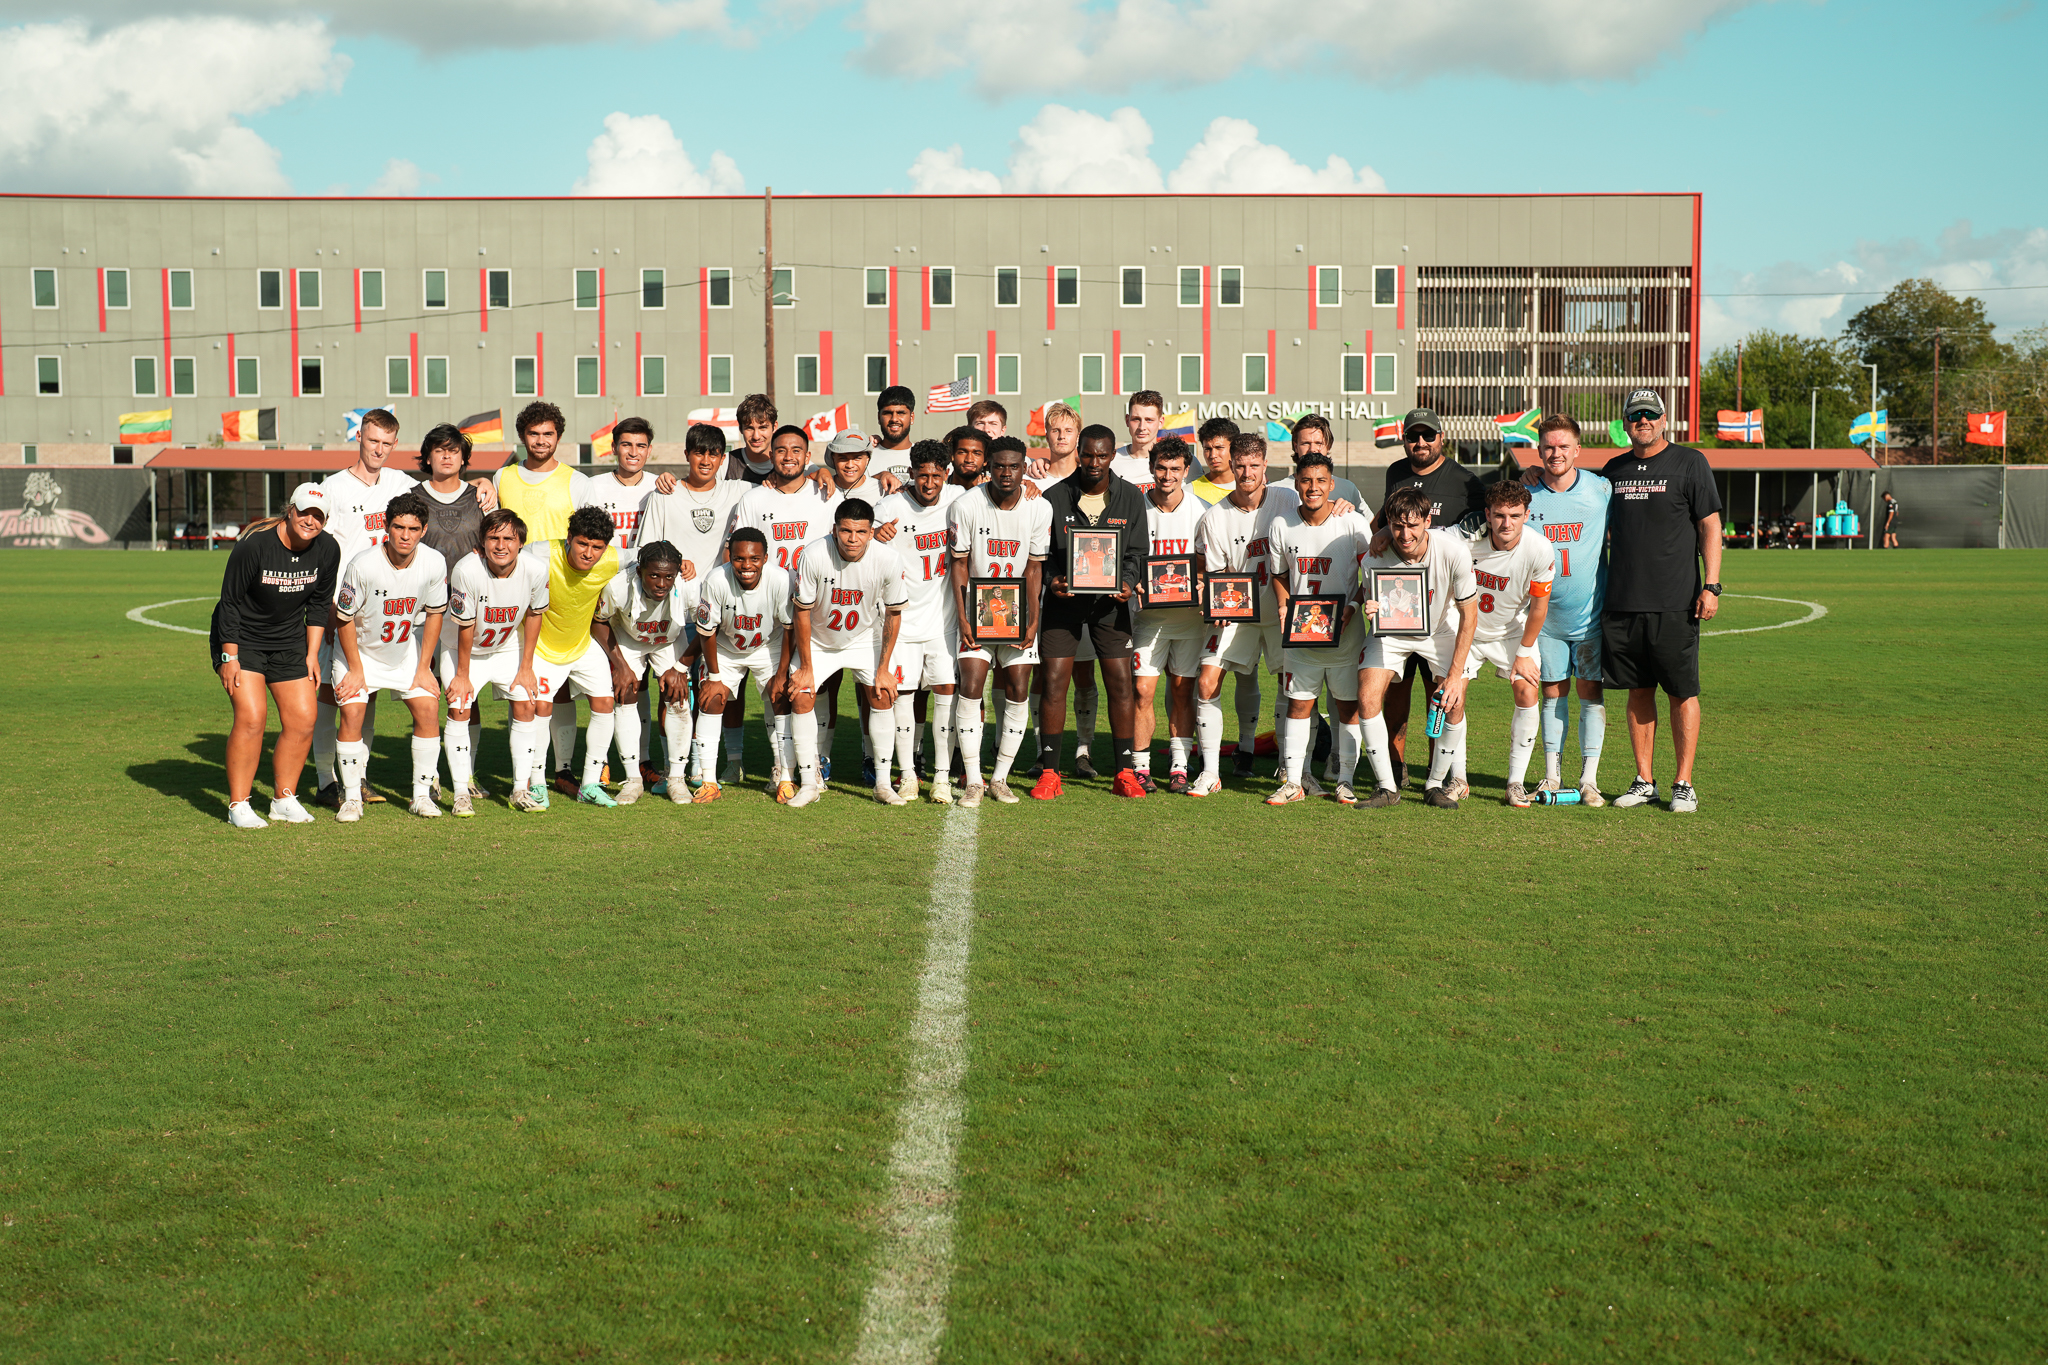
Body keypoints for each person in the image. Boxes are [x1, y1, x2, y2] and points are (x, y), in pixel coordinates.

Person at [1597, 388, 1722, 814]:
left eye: (1651, 414)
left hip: (1676, 602)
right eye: (1635, 415)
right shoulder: (1613, 470)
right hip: (1623, 601)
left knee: (1682, 692)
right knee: (1637, 691)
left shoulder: (1690, 463)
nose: (1643, 421)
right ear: (1626, 422)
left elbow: (1710, 526)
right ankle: (1643, 780)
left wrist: (1713, 585)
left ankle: (1683, 783)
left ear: (1664, 419)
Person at [211, 483, 339, 828]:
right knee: (252, 717)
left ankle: (283, 799)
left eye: (318, 516)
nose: (310, 521)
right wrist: (229, 658)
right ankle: (239, 804)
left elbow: (317, 605)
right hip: (242, 639)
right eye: (305, 512)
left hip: (289, 641)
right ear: (290, 510)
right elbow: (230, 603)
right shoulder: (255, 546)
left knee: (302, 717)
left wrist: (313, 655)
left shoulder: (327, 549)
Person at [1373, 406, 1487, 790]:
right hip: (1402, 607)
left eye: (1428, 435)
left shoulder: (1465, 479)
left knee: (1445, 694)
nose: (1420, 443)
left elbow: (1492, 513)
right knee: (1396, 694)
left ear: (1442, 438)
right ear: (1404, 439)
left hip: (1442, 604)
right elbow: (1389, 513)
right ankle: (1396, 764)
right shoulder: (1395, 473)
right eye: (1412, 436)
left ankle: (1452, 776)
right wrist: (1380, 529)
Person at [1034, 424, 1148, 798]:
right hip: (1063, 601)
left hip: (1109, 604)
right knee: (1053, 682)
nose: (1094, 462)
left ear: (1113, 455)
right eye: (1088, 454)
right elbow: (1043, 555)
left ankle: (1124, 772)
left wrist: (1128, 581)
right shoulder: (1053, 497)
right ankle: (1050, 771)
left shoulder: (1131, 497)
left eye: (1102, 455)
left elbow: (1136, 553)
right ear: (1078, 452)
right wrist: (1052, 581)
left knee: (1120, 683)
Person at [638, 422, 754, 785]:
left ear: (723, 458)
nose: (705, 460)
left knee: (725, 688)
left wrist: (824, 472)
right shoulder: (664, 494)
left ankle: (728, 761)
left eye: (713, 453)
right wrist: (674, 559)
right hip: (678, 608)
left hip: (724, 607)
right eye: (698, 452)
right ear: (687, 454)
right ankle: (677, 765)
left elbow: (784, 483)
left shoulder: (740, 490)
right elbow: (645, 549)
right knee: (674, 685)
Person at [312, 408, 416, 807]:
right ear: (360, 437)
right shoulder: (334, 488)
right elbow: (320, 550)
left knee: (365, 695)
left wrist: (481, 484)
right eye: (373, 441)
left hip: (380, 611)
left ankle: (358, 778)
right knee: (329, 694)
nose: (379, 450)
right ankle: (325, 782)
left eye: (387, 443)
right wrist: (323, 604)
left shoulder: (399, 483)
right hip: (339, 608)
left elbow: (438, 495)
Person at [1357, 487, 1480, 810]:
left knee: (1454, 701)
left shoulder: (1453, 551)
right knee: (1367, 697)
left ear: (1428, 520)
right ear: (1388, 524)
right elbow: (1376, 602)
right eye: (1397, 526)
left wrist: (1454, 676)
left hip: (1440, 629)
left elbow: (1469, 615)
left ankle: (1436, 784)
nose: (1405, 534)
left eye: (1413, 525)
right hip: (1393, 633)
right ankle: (1386, 786)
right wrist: (1371, 607)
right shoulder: (1376, 556)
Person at [331, 490, 449, 821]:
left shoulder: (433, 562)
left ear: (423, 530)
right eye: (399, 527)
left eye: (413, 529)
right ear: (387, 526)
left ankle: (421, 796)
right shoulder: (363, 564)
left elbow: (435, 613)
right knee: (353, 713)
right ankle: (352, 798)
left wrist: (424, 667)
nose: (405, 536)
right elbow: (343, 618)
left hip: (403, 649)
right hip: (359, 652)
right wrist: (355, 670)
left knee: (428, 708)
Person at [786, 500, 911, 807]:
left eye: (860, 531)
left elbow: (893, 614)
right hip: (819, 639)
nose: (852, 538)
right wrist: (805, 665)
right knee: (802, 695)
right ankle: (809, 783)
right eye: (846, 531)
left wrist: (883, 669)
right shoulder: (813, 554)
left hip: (863, 638)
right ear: (835, 530)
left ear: (871, 533)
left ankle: (882, 784)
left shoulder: (889, 559)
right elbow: (801, 612)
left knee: (882, 693)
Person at [1264, 454, 1373, 805]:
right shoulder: (1281, 524)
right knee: (1299, 705)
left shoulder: (1352, 523)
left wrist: (1353, 606)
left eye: (1320, 481)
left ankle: (1345, 780)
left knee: (1347, 708)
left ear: (1331, 484)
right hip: (1301, 633)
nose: (1313, 488)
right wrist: (1283, 604)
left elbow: (1371, 574)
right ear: (1296, 482)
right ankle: (1294, 782)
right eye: (1306, 480)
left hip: (1345, 632)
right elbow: (1279, 574)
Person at [1192, 432, 1297, 793]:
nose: (1247, 472)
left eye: (1255, 465)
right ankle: (1210, 772)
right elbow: (1217, 575)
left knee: (1291, 685)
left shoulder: (1288, 499)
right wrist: (1216, 601)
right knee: (1206, 683)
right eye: (1240, 465)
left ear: (1265, 465)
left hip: (1282, 610)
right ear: (1230, 465)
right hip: (1238, 614)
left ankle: (1288, 765)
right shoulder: (1215, 517)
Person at [948, 438, 1050, 806]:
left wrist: (1032, 618)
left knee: (1019, 689)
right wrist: (963, 618)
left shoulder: (1040, 508)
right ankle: (974, 778)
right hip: (976, 612)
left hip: (1015, 612)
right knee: (971, 686)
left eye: (1014, 466)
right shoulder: (966, 505)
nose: (1007, 473)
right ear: (989, 466)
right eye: (1000, 466)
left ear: (1025, 467)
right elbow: (959, 563)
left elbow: (1035, 567)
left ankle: (1000, 777)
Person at [1525, 414, 1611, 805]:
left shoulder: (1601, 489)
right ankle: (1551, 775)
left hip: (1591, 617)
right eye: (1548, 446)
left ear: (1578, 449)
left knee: (1591, 693)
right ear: (1539, 449)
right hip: (1545, 621)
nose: (1555, 453)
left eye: (1563, 446)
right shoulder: (1526, 495)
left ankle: (1589, 779)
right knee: (1552, 694)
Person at [874, 439, 965, 803]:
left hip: (943, 621)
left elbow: (1002, 496)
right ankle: (908, 773)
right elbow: (863, 542)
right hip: (902, 623)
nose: (930, 483)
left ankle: (942, 776)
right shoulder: (890, 506)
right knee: (904, 698)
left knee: (946, 693)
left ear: (947, 475)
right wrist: (876, 535)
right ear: (910, 473)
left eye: (937, 476)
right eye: (922, 475)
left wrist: (1032, 485)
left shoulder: (959, 498)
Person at [443, 508, 548, 815]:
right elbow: (465, 627)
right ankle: (461, 791)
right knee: (460, 705)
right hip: (461, 649)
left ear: (520, 543)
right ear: (482, 542)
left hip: (504, 647)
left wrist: (526, 667)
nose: (501, 546)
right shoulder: (466, 570)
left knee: (527, 702)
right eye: (493, 538)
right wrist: (463, 675)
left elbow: (534, 614)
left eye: (508, 539)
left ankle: (520, 789)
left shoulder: (536, 569)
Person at [1464, 481, 1556, 807]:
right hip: (1467, 631)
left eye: (1515, 515)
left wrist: (1525, 652)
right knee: (1452, 694)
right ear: (1487, 514)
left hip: (1512, 632)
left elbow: (1539, 606)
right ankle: (1457, 778)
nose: (1507, 523)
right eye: (1500, 515)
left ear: (1527, 515)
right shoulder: (1465, 540)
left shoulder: (1540, 549)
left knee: (1528, 690)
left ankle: (1515, 782)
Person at [525, 505, 625, 809]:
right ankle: (537, 783)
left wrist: (684, 561)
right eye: (582, 544)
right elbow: (506, 552)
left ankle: (591, 783)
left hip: (582, 645)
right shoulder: (539, 553)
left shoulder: (612, 558)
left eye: (597, 547)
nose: (589, 553)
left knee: (605, 704)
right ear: (569, 538)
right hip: (543, 648)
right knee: (540, 709)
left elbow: (646, 554)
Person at [691, 528, 795, 802]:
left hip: (767, 646)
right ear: (730, 557)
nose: (746, 565)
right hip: (726, 648)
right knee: (712, 697)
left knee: (781, 694)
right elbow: (707, 631)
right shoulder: (715, 579)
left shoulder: (781, 579)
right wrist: (714, 676)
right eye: (739, 559)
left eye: (754, 558)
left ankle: (784, 776)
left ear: (765, 558)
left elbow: (790, 629)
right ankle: (711, 779)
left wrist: (782, 673)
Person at [596, 539, 697, 805]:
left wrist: (682, 668)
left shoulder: (689, 585)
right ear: (640, 571)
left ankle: (676, 778)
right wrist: (619, 665)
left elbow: (708, 628)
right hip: (627, 639)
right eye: (653, 575)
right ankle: (633, 780)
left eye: (668, 577)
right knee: (626, 693)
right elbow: (598, 621)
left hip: (669, 639)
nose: (661, 584)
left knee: (678, 698)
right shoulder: (618, 586)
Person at [1132, 437, 1207, 792]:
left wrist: (1205, 583)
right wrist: (1133, 583)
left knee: (1182, 691)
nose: (1167, 475)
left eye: (1175, 468)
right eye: (1161, 467)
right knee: (1142, 691)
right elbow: (1126, 562)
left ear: (1186, 471)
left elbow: (1211, 565)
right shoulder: (1135, 508)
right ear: (1151, 468)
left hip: (1190, 620)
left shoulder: (1202, 511)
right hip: (1147, 619)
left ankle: (1179, 766)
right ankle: (1141, 765)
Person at [494, 401, 588, 544]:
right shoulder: (502, 477)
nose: (541, 441)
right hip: (514, 566)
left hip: (559, 567)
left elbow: (590, 538)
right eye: (533, 434)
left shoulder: (578, 482)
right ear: (521, 436)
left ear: (559, 437)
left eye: (548, 434)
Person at [581, 417, 656, 550]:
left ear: (649, 450)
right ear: (614, 448)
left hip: (646, 568)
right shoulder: (592, 486)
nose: (633, 453)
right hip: (606, 568)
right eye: (626, 445)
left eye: (641, 446)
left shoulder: (658, 486)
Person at [417, 423, 485, 568]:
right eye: (439, 450)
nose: (446, 456)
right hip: (426, 586)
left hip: (471, 587)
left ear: (462, 459)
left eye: (453, 451)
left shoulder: (482, 498)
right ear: (428, 458)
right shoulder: (412, 497)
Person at [1112, 389, 1164, 494]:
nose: (1142, 427)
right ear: (1127, 420)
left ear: (1160, 422)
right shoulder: (1111, 461)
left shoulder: (1181, 461)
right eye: (1136, 419)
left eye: (1149, 420)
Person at [728, 393, 779, 483]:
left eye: (763, 428)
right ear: (740, 429)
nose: (756, 436)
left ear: (774, 427)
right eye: (749, 428)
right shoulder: (724, 465)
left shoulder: (794, 465)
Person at [1190, 416, 1240, 505]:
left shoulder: (1250, 489)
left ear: (1234, 449)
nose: (1213, 455)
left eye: (1219, 448)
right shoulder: (1190, 493)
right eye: (1207, 449)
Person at [874, 385, 919, 482]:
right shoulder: (864, 457)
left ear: (912, 417)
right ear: (879, 417)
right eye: (887, 413)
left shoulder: (925, 457)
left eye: (901, 413)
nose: (894, 419)